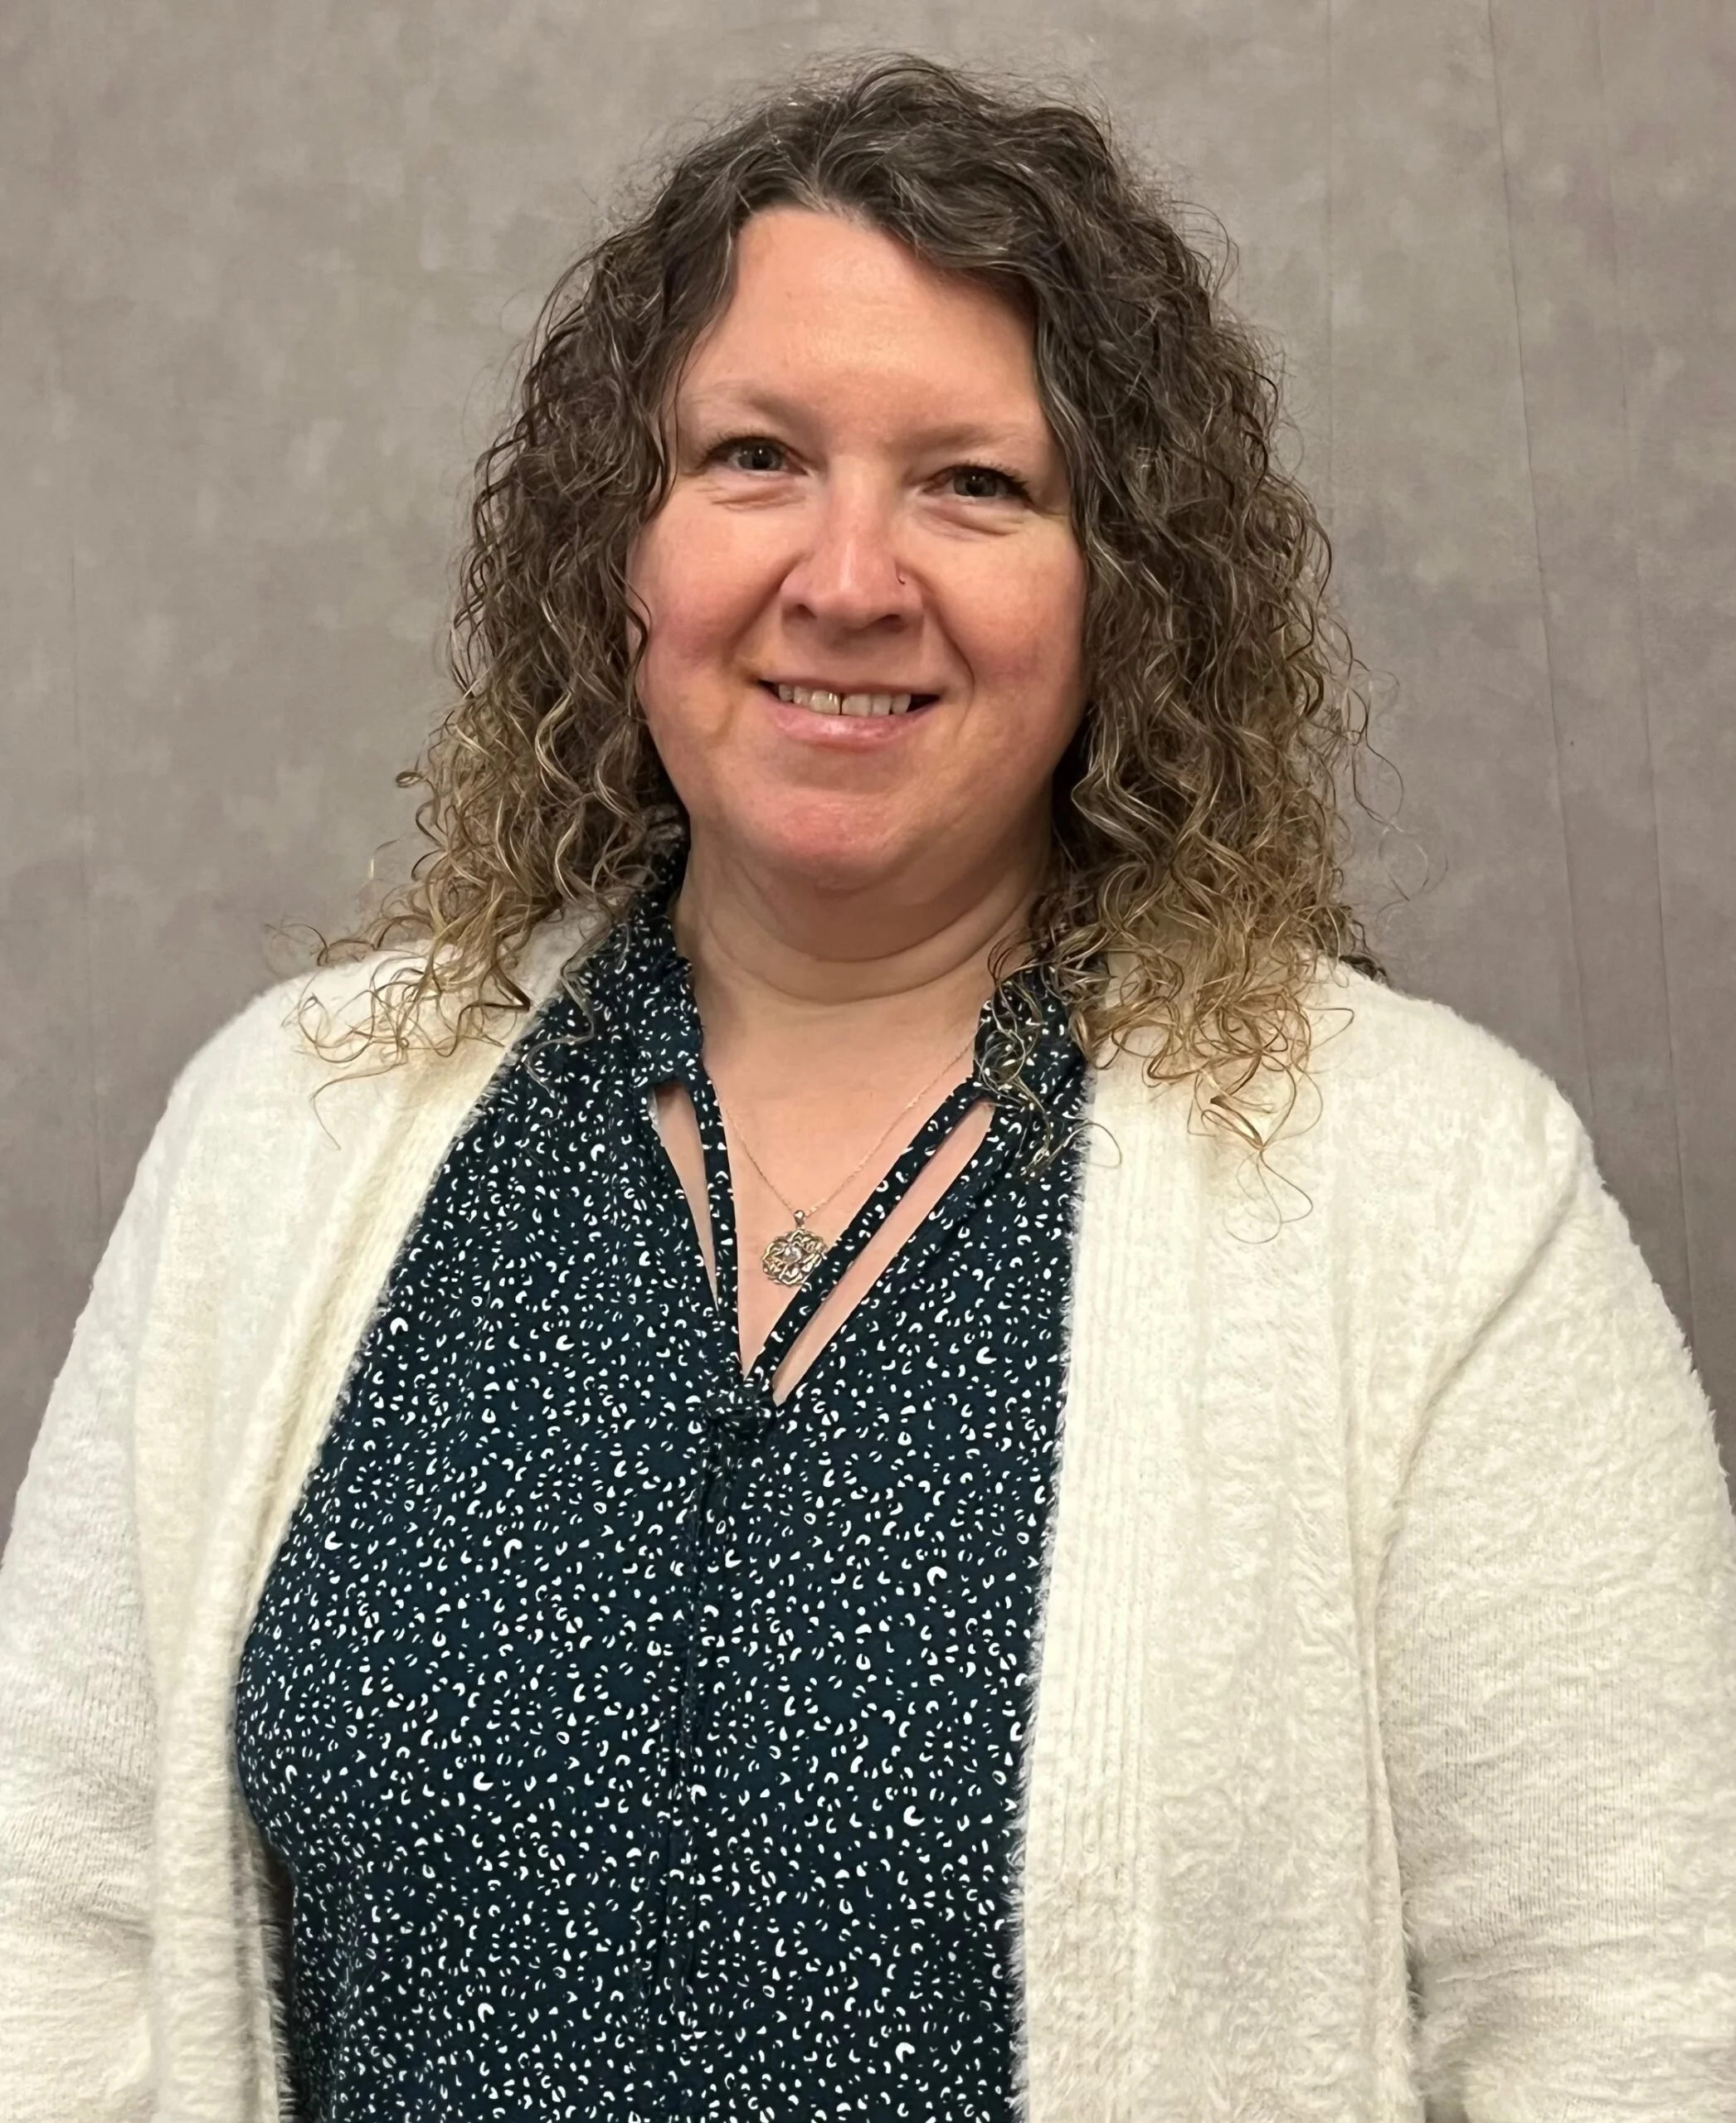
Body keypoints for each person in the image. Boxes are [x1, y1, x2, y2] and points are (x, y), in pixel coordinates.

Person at [2, 49, 1734, 2123]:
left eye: (971, 484)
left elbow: (1635, 2018)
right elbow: (52, 1937)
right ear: (616, 554)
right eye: (752, 457)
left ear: (1124, 590)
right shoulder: (281, 1134)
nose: (845, 577)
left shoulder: (1438, 1194)